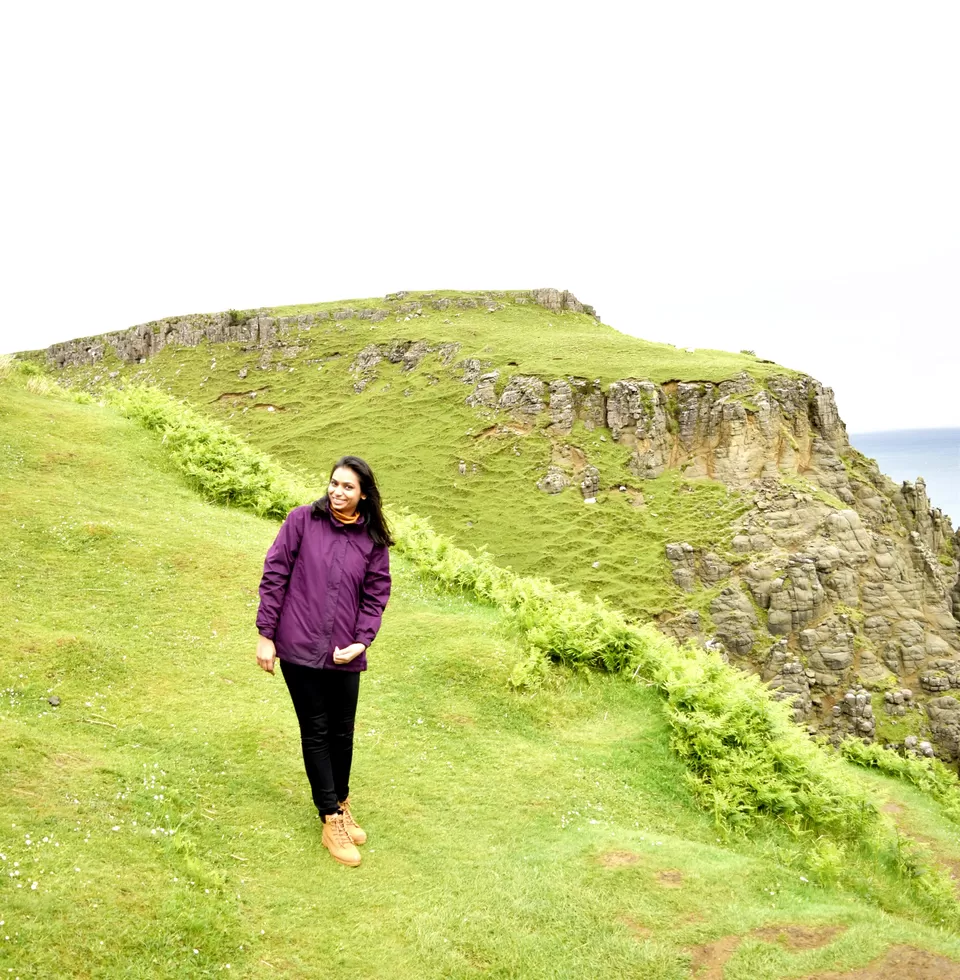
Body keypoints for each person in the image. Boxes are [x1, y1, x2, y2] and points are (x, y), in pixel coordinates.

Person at [255, 455, 393, 867]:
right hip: (299, 646)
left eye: (348, 487)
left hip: (344, 651)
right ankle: (330, 817)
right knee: (316, 730)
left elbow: (376, 595)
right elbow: (275, 574)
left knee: (343, 732)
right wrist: (265, 635)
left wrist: (362, 641)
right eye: (334, 483)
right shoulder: (301, 520)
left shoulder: (372, 539)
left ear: (363, 494)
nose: (338, 492)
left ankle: (341, 802)